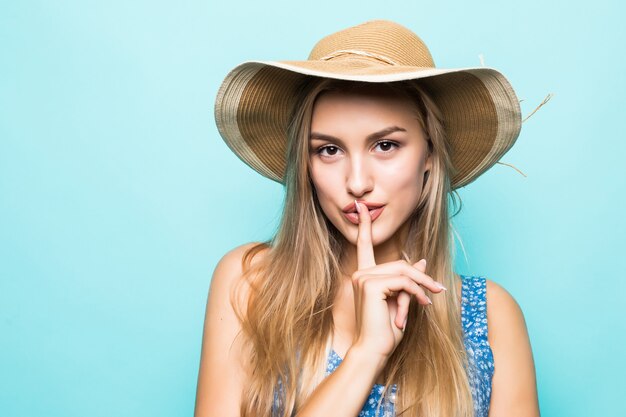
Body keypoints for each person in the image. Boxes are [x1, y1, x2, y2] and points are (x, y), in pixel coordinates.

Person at [195, 20, 540, 417]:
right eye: (328, 150)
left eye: (385, 145)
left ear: (429, 155)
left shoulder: (491, 316)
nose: (357, 183)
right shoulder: (251, 284)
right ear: (304, 164)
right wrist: (365, 355)